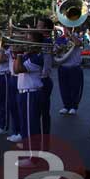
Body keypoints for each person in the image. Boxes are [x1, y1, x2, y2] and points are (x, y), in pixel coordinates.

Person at [13, 31, 44, 166]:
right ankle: (29, 153)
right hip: (24, 92)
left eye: (28, 39)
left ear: (36, 42)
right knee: (25, 125)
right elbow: (14, 69)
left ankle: (34, 158)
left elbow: (19, 69)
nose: (25, 42)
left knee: (31, 126)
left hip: (31, 93)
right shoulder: (28, 55)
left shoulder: (37, 57)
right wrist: (18, 55)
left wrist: (19, 54)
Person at [56, 26, 84, 115]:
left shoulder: (77, 37)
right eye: (64, 27)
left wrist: (70, 35)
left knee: (75, 88)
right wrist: (59, 49)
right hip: (63, 67)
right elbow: (56, 52)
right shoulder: (60, 39)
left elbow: (78, 43)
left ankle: (74, 106)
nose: (65, 29)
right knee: (64, 88)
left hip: (74, 67)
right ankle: (66, 106)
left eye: (67, 27)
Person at [37, 17, 55, 150]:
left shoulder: (46, 42)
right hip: (37, 80)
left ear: (46, 29)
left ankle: (44, 144)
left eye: (39, 26)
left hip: (43, 80)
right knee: (35, 114)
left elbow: (47, 63)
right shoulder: (40, 41)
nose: (36, 28)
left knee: (43, 114)